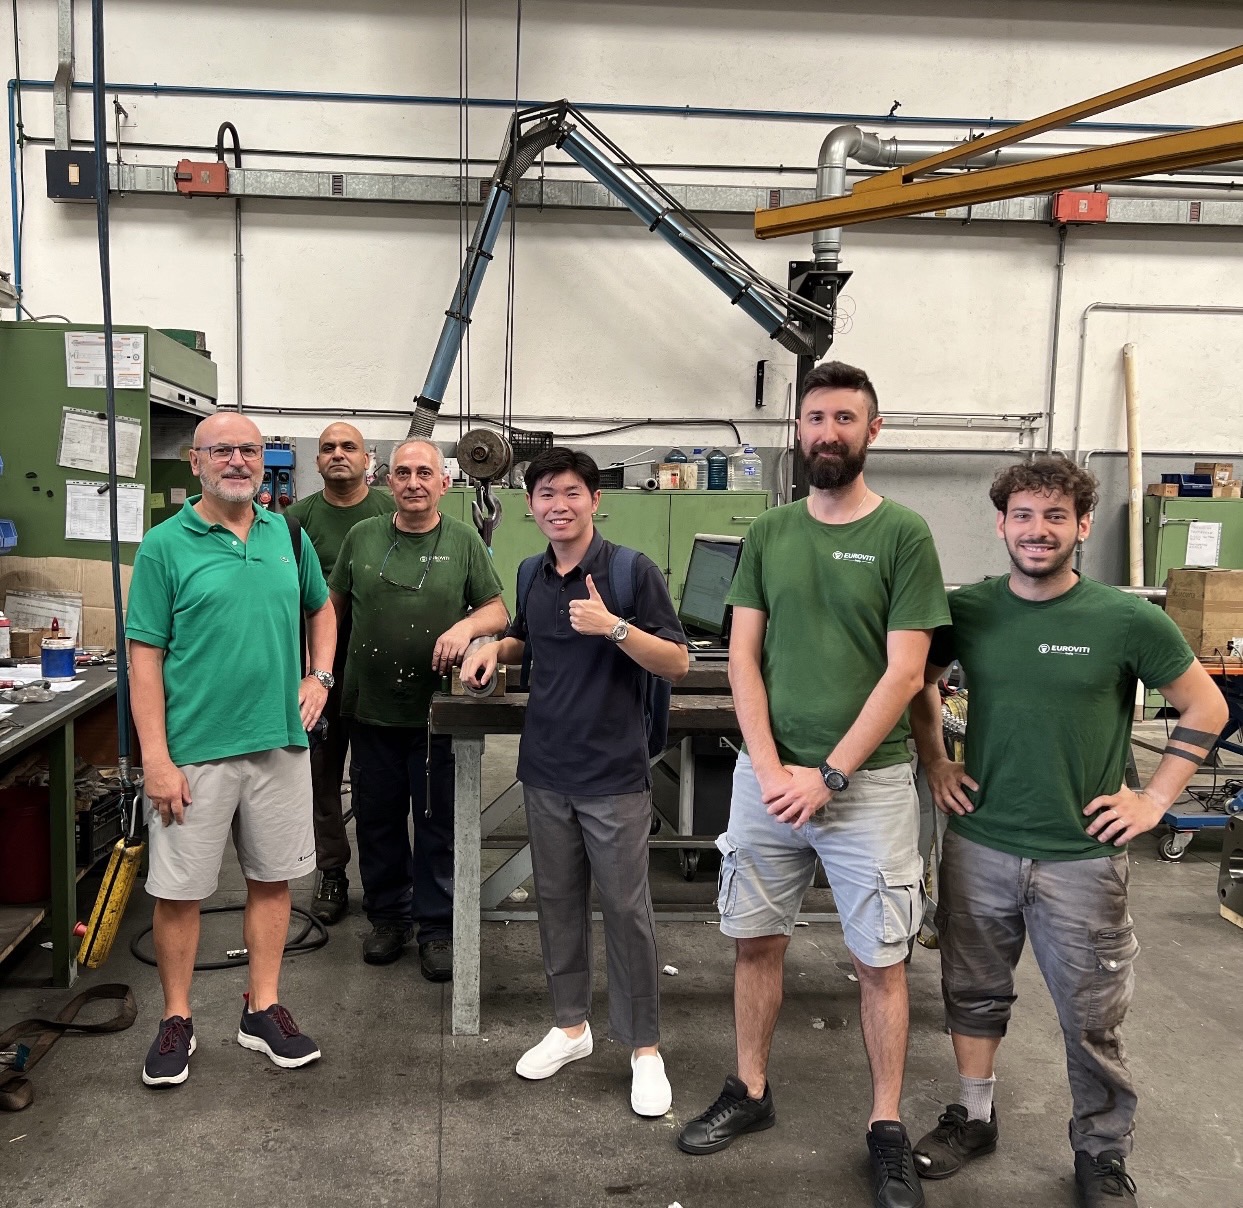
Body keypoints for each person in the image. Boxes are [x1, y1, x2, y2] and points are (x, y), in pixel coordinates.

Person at [907, 456, 1227, 1208]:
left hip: (1082, 856)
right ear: (1001, 525)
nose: (1037, 530)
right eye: (1023, 515)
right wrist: (936, 759)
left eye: (1055, 516)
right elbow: (917, 679)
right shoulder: (967, 610)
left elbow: (1206, 706)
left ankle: (1100, 1151)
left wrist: (1154, 799)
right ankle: (974, 1116)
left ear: (1082, 526)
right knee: (972, 992)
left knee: (1091, 1016)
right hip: (979, 842)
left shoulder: (1126, 619)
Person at [676, 360, 950, 1208]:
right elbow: (743, 658)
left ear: (873, 430)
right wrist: (765, 769)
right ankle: (749, 1089)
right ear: (798, 430)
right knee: (753, 941)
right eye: (815, 418)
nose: (827, 433)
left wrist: (829, 775)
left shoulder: (904, 534)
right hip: (769, 782)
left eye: (844, 418)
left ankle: (885, 1126)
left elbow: (906, 672)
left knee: (879, 960)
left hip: (866, 787)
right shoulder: (769, 532)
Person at [461, 446, 689, 1117]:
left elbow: (675, 661)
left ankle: (643, 1047)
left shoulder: (629, 571)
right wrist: (492, 648)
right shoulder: (530, 571)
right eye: (545, 494)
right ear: (530, 506)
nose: (557, 506)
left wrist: (614, 627)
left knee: (625, 911)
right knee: (557, 903)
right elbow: (528, 639)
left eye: (570, 493)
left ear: (594, 500)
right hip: (546, 768)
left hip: (613, 774)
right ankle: (570, 1027)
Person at [128, 412, 337, 1087]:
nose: (238, 461)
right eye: (222, 451)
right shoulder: (164, 546)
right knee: (179, 891)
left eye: (249, 450)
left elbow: (321, 608)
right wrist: (156, 759)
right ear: (196, 462)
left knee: (273, 880)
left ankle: (262, 1007)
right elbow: (143, 657)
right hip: (194, 751)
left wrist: (320, 676)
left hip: (279, 742)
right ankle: (177, 1018)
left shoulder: (287, 535)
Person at [328, 439, 506, 980]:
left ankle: (436, 929)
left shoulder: (464, 539)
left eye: (424, 473)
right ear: (388, 481)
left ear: (444, 483)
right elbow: (331, 610)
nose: (413, 483)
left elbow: (497, 610)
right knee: (378, 821)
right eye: (403, 473)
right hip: (370, 706)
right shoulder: (362, 537)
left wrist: (465, 627)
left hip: (437, 714)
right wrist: (317, 674)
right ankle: (388, 918)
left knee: (436, 824)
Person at [284, 422, 391, 925]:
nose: (338, 454)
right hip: (315, 669)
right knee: (321, 776)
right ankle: (331, 872)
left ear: (368, 458)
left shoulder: (390, 513)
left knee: (377, 780)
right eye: (328, 448)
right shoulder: (294, 521)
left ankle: (384, 880)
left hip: (377, 668)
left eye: (349, 447)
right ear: (317, 461)